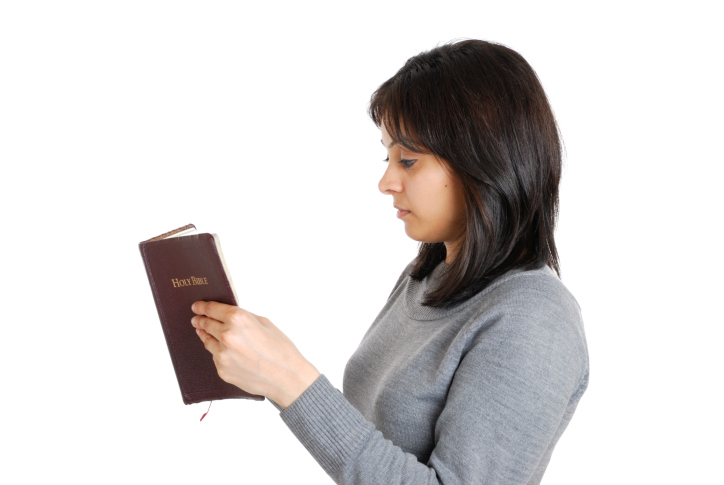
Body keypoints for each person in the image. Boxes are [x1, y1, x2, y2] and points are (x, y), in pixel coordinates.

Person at [190, 39, 589, 485]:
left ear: (486, 161)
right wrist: (264, 362)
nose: (386, 181)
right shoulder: (429, 275)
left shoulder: (535, 319)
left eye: (409, 160)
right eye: (387, 156)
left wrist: (290, 380)